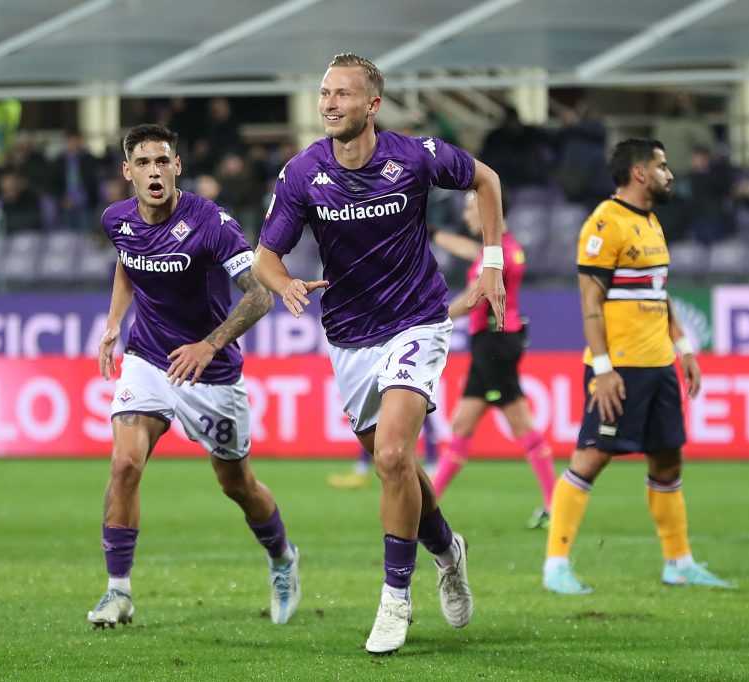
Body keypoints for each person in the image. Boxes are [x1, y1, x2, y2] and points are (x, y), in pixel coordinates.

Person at [253, 53, 506, 654]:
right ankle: (447, 549)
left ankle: (395, 600)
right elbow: (266, 255)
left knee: (393, 455)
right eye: (324, 93)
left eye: (343, 94)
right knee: (397, 469)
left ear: (372, 105)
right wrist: (283, 282)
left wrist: (491, 263)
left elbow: (487, 180)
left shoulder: (414, 156)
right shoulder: (301, 174)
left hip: (417, 321)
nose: (329, 103)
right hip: (349, 337)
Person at [87, 123, 300, 629]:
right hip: (148, 357)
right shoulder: (116, 219)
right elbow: (127, 261)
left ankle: (282, 558)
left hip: (211, 371)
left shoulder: (212, 222)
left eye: (162, 161)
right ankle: (118, 592)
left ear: (177, 167)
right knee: (124, 465)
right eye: (143, 163)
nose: (154, 171)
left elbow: (259, 294)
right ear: (128, 172)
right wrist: (115, 321)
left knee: (237, 484)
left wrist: (210, 344)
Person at [543, 138, 735, 595]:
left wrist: (684, 347)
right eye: (663, 166)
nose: (670, 174)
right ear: (640, 174)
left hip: (658, 365)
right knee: (591, 457)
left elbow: (658, 292)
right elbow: (590, 303)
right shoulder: (605, 223)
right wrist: (604, 369)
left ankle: (679, 563)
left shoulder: (651, 223)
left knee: (668, 460)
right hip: (620, 368)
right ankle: (556, 565)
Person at [429, 191, 556, 529]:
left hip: (495, 344)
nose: (467, 215)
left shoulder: (497, 256)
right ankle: (428, 506)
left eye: (472, 209)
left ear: (488, 211)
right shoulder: (500, 249)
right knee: (462, 425)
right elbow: (470, 252)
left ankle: (557, 506)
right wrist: (432, 234)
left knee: (521, 424)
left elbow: (474, 298)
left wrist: (432, 318)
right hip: (490, 342)